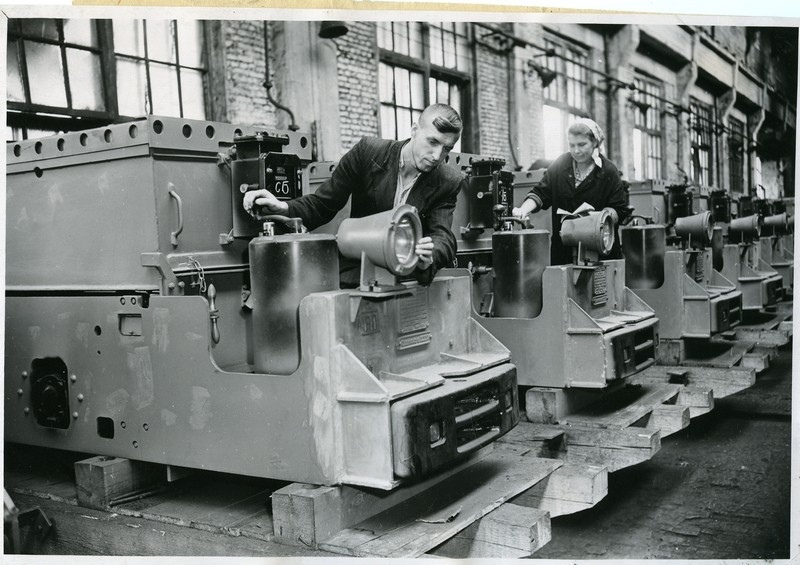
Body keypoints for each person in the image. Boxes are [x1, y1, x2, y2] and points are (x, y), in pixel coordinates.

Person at [243, 103, 466, 287]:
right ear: (415, 130)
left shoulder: (447, 180)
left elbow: (444, 238)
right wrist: (283, 207)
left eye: (447, 148)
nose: (438, 156)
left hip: (406, 279)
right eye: (433, 142)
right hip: (358, 274)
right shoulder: (368, 153)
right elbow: (323, 204)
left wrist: (430, 255)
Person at [512, 118, 629, 265]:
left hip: (599, 250)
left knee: (599, 287)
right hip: (563, 250)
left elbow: (619, 208)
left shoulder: (608, 171)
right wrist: (523, 209)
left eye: (582, 144)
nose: (576, 151)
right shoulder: (560, 164)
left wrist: (598, 218)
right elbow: (540, 193)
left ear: (595, 143)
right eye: (571, 145)